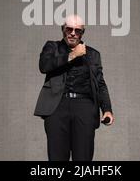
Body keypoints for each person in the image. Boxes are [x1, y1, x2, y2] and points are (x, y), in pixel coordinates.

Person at [34, 15, 114, 161]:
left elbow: (100, 83)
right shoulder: (52, 47)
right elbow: (44, 66)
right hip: (57, 106)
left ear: (82, 33)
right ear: (63, 30)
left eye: (77, 31)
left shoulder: (93, 54)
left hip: (84, 107)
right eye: (69, 29)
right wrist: (72, 56)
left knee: (83, 158)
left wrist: (107, 109)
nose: (72, 33)